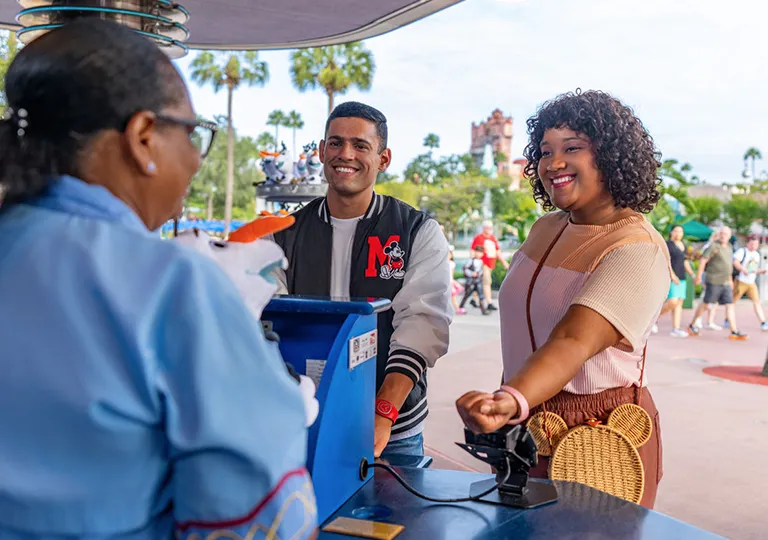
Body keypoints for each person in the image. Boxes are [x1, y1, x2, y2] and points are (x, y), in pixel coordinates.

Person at [0, 19, 316, 539]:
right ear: (143, 137)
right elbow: (259, 510)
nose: (195, 158)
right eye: (192, 134)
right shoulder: (172, 285)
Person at [456, 90, 671, 509]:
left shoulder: (636, 248)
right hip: (526, 421)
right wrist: (514, 400)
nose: (553, 163)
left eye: (572, 148)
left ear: (611, 155)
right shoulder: (546, 227)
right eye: (544, 151)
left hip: (597, 434)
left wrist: (510, 398)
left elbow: (573, 339)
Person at [272, 102, 452, 459]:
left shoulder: (416, 231)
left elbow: (423, 324)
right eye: (335, 143)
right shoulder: (284, 235)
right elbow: (269, 322)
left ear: (383, 159)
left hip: (392, 429)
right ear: (322, 151)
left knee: (397, 516)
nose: (346, 155)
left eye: (360, 146)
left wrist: (383, 411)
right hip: (306, 420)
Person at [687, 226, 747, 340]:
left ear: (729, 236)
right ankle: (692, 324)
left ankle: (734, 331)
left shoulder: (729, 246)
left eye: (726, 234)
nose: (723, 236)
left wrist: (730, 280)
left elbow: (728, 264)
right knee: (706, 304)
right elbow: (703, 260)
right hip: (713, 281)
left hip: (725, 282)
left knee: (729, 305)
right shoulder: (714, 246)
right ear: (719, 235)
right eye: (722, 233)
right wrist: (699, 276)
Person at [656, 225, 695, 337]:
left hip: (682, 278)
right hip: (671, 277)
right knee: (672, 302)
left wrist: (692, 274)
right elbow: (665, 261)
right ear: (671, 232)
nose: (678, 233)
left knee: (678, 304)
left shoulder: (684, 246)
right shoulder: (668, 245)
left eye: (680, 231)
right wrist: (672, 275)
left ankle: (676, 329)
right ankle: (653, 319)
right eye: (676, 231)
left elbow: (685, 262)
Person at [732, 235, 768, 331]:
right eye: (751, 243)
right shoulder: (742, 251)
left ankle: (763, 322)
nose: (753, 246)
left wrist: (761, 271)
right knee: (733, 302)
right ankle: (728, 319)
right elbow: (735, 262)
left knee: (757, 302)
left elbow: (752, 269)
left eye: (755, 244)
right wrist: (742, 269)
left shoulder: (756, 254)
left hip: (751, 282)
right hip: (741, 281)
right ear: (747, 243)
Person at [471, 220, 509, 310]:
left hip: (491, 264)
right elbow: (473, 251)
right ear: (484, 228)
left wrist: (504, 262)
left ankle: (473, 299)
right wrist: (473, 264)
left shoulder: (492, 238)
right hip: (483, 264)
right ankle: (489, 303)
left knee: (481, 282)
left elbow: (497, 251)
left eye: (491, 228)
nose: (489, 229)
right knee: (487, 282)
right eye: (488, 228)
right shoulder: (479, 238)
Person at [459, 245, 490, 315]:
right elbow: (465, 268)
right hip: (471, 281)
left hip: (478, 281)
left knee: (481, 295)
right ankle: (461, 307)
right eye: (477, 252)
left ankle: (483, 309)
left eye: (480, 252)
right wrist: (471, 273)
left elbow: (480, 270)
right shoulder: (471, 260)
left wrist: (480, 274)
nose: (478, 254)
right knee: (467, 294)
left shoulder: (481, 262)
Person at [448, 246, 466, 314]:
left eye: (449, 254)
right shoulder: (443, 263)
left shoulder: (452, 263)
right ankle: (456, 309)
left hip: (450, 281)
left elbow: (452, 273)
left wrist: (452, 281)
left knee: (453, 297)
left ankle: (457, 309)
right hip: (445, 282)